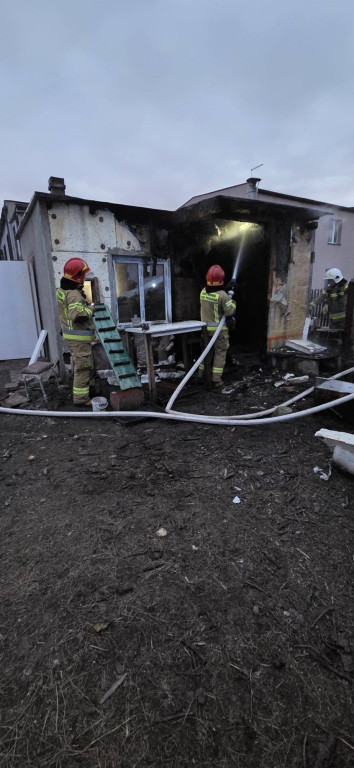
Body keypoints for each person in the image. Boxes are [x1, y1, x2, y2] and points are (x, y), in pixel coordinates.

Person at [56, 258, 96, 406]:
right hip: (79, 339)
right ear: (78, 276)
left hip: (72, 337)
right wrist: (91, 309)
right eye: (83, 275)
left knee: (82, 365)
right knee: (83, 367)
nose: (85, 277)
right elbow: (78, 315)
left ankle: (87, 389)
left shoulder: (63, 291)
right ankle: (81, 399)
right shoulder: (73, 294)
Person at [199, 264, 236, 388]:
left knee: (206, 352)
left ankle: (201, 374)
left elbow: (214, 294)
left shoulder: (203, 292)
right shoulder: (224, 296)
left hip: (205, 330)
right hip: (219, 332)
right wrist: (232, 300)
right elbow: (230, 311)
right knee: (220, 352)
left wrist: (225, 290)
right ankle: (216, 379)